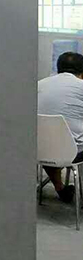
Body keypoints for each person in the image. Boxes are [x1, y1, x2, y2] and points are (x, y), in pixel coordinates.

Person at [38, 51, 83, 203]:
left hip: (40, 150)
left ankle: (60, 188)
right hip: (74, 152)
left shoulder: (39, 85)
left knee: (50, 142)